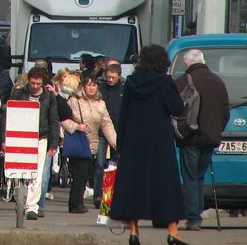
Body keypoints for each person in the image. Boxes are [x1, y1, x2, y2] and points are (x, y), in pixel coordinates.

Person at [109, 44, 188, 245]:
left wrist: (121, 143)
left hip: (134, 141)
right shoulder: (165, 83)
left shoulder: (131, 83)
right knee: (165, 186)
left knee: (133, 185)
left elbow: (124, 114)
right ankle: (173, 232)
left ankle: (133, 232)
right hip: (159, 141)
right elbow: (177, 108)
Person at [175, 49, 230, 231]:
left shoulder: (184, 81)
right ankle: (196, 214)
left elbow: (174, 109)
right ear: (203, 60)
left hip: (190, 137)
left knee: (190, 177)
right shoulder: (218, 82)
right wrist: (216, 130)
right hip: (210, 137)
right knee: (199, 176)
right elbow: (225, 112)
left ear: (187, 64)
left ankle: (193, 218)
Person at [61, 74, 117, 214]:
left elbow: (106, 124)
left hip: (92, 143)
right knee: (79, 173)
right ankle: (76, 204)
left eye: (94, 85)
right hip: (78, 141)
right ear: (84, 86)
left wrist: (115, 142)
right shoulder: (74, 100)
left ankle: (77, 203)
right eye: (89, 85)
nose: (91, 88)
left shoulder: (101, 104)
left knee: (85, 173)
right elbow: (63, 119)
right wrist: (76, 126)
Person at [11, 66, 60, 221]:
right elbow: (9, 115)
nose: (35, 86)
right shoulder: (18, 93)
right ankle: (21, 201)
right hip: (20, 138)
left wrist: (53, 144)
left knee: (37, 175)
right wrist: (5, 140)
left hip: (41, 138)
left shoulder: (49, 97)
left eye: (38, 84)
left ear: (43, 83)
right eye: (32, 83)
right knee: (19, 173)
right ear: (28, 80)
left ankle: (32, 207)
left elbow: (53, 120)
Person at [95, 62, 124, 204]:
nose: (110, 80)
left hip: (118, 131)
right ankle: (98, 195)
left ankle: (110, 195)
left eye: (113, 77)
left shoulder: (124, 90)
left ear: (119, 76)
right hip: (101, 131)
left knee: (114, 165)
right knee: (99, 164)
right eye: (108, 77)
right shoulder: (101, 89)